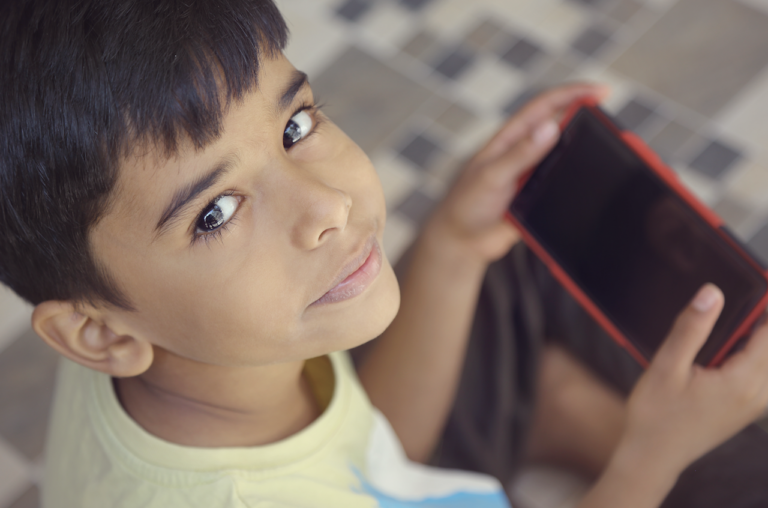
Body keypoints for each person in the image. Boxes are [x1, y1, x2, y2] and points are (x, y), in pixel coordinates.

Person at [1, 1, 767, 507]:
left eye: (294, 127)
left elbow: (375, 448)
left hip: (393, 466)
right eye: (216, 212)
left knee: (512, 238)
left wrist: (455, 246)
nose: (327, 206)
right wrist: (651, 456)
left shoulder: (176, 337)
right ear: (96, 334)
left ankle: (558, 406)